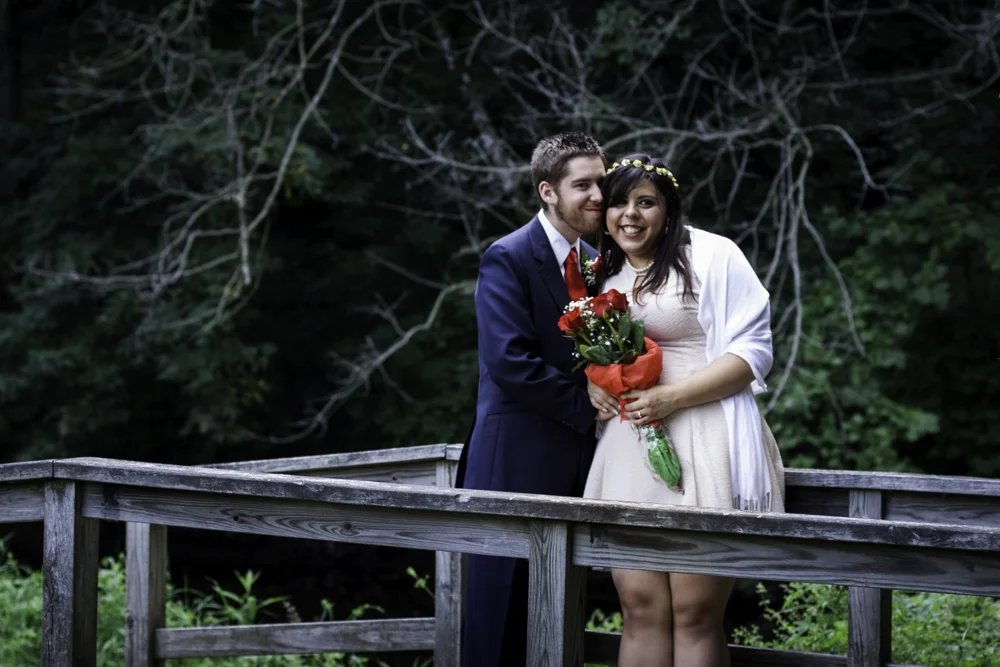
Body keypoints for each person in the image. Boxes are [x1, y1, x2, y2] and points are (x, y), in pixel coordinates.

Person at [583, 153, 786, 667]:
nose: (630, 214)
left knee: (695, 611)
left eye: (645, 202)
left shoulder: (712, 256)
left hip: (705, 436)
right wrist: (594, 383)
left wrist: (672, 397)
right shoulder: (601, 273)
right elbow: (594, 352)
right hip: (630, 445)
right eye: (618, 203)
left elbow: (753, 354)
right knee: (640, 607)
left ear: (669, 209)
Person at [454, 131, 612, 667]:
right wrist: (589, 403)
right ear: (548, 191)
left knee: (557, 622)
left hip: (580, 467)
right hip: (514, 463)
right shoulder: (508, 256)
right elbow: (509, 361)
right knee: (499, 624)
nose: (598, 196)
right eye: (583, 185)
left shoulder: (596, 263)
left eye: (601, 183)